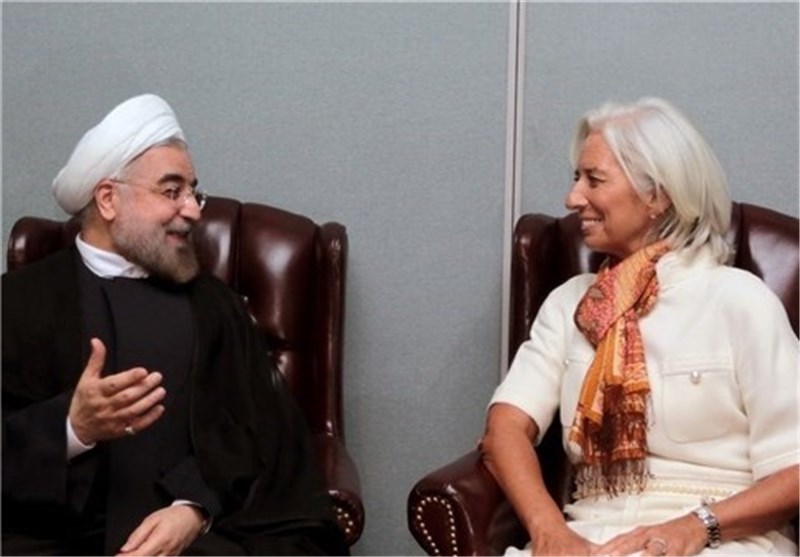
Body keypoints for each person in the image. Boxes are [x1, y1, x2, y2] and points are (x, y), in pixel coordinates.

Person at [2, 94, 348, 556]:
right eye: (172, 191)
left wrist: (194, 507)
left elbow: (260, 436)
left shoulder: (216, 307)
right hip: (56, 538)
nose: (194, 209)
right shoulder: (17, 303)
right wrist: (70, 427)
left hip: (200, 541)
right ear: (108, 199)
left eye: (192, 192)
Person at [479, 97, 799, 556]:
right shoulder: (570, 304)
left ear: (658, 195)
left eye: (594, 180)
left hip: (722, 539)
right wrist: (548, 529)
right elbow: (505, 429)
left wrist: (697, 526)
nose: (573, 199)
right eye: (575, 178)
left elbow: (794, 469)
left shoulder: (740, 301)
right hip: (590, 536)